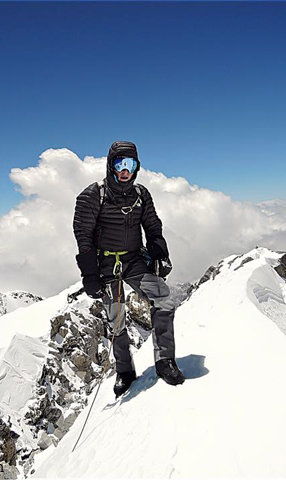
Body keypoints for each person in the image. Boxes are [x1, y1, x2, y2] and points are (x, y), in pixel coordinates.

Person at [73, 140, 185, 397]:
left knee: (164, 298)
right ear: (110, 165)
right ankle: (125, 371)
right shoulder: (92, 195)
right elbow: (83, 236)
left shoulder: (141, 194)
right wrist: (89, 274)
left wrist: (160, 253)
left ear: (137, 167)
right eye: (120, 164)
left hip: (134, 261)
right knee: (116, 319)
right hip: (105, 265)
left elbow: (153, 226)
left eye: (130, 164)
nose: (125, 170)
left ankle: (164, 361)